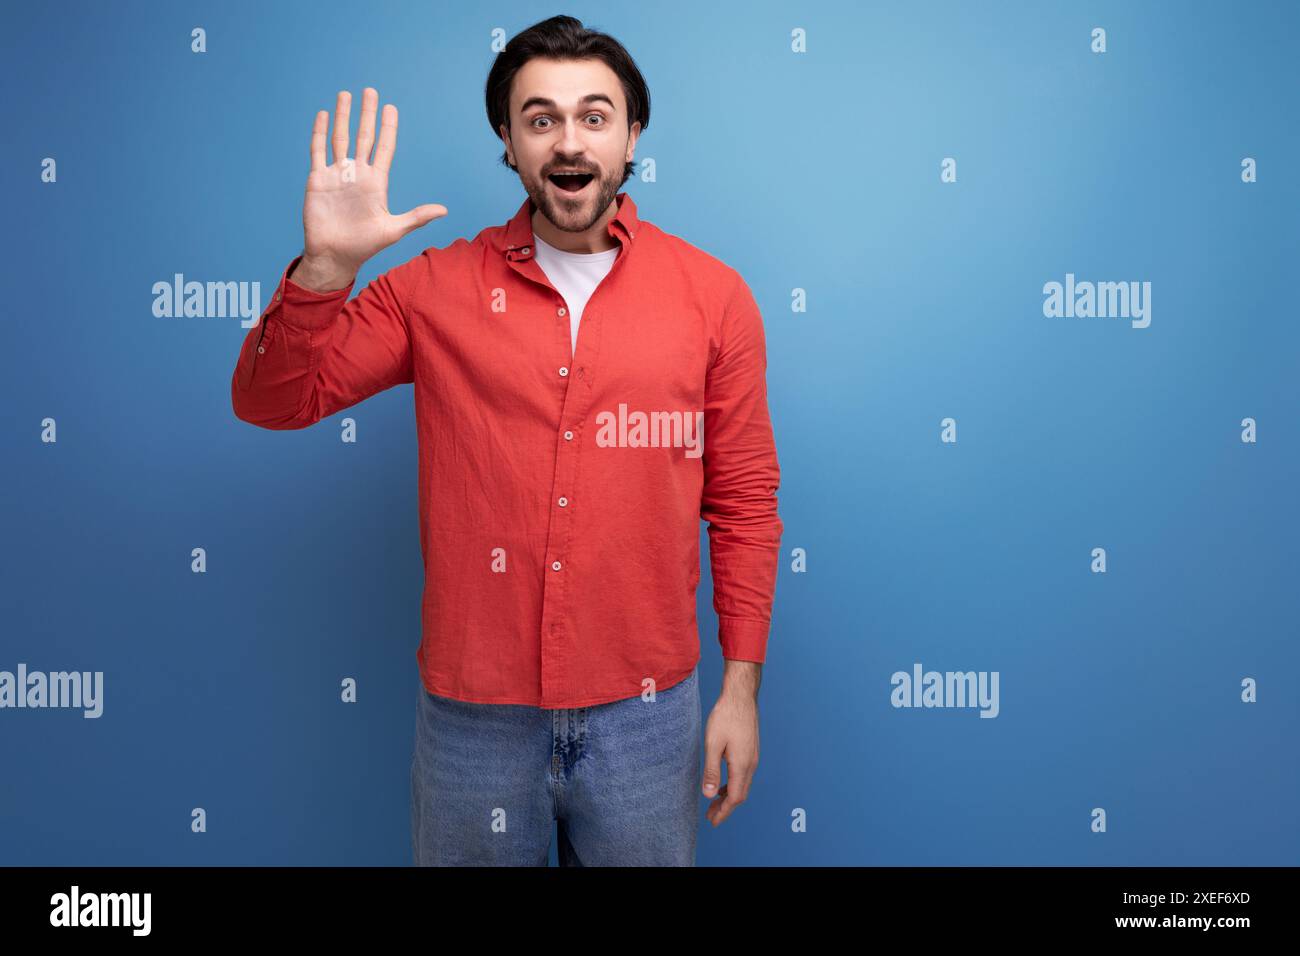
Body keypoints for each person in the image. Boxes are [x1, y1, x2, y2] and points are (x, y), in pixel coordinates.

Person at [230, 15, 783, 866]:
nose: (569, 142)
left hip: (648, 716)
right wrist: (327, 270)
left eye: (595, 116)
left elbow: (744, 502)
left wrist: (740, 690)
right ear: (509, 141)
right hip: (472, 723)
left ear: (633, 133)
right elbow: (273, 401)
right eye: (541, 118)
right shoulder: (433, 291)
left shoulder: (713, 298)